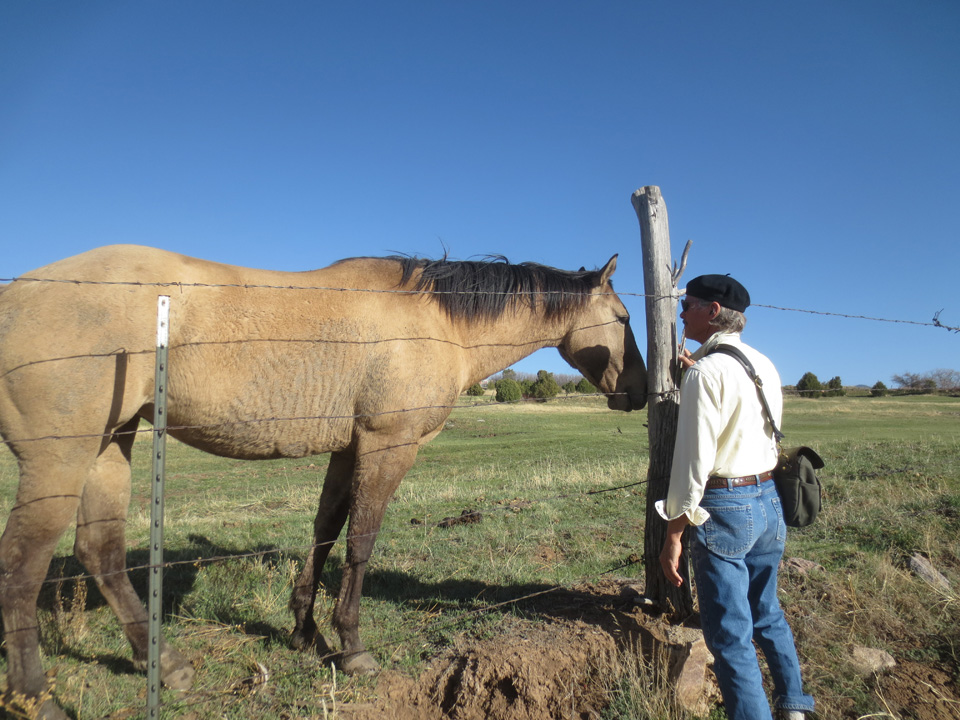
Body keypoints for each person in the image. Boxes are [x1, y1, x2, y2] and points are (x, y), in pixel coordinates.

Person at [657, 274, 815, 720]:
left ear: (712, 312)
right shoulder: (763, 364)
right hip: (768, 501)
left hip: (726, 507)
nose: (681, 314)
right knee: (766, 611)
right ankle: (795, 706)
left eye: (687, 304)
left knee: (730, 636)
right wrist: (696, 370)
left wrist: (674, 534)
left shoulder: (705, 374)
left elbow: (693, 465)